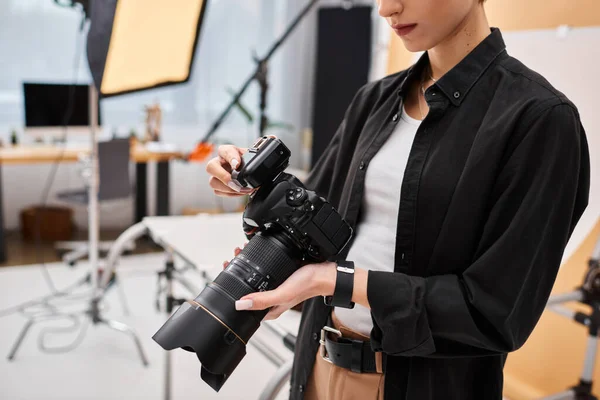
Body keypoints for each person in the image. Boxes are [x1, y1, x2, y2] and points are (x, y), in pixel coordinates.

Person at [205, 0, 591, 399]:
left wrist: (336, 281)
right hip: (318, 368)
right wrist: (249, 185)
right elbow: (312, 224)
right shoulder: (374, 101)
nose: (387, 9)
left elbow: (496, 312)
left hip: (422, 387)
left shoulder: (540, 121)